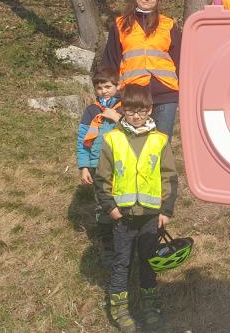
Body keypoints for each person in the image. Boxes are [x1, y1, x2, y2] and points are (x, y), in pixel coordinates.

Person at [94, 84, 179, 332]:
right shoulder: (113, 139)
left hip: (151, 218)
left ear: (150, 110)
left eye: (142, 111)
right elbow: (102, 178)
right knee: (122, 263)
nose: (137, 116)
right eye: (131, 111)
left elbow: (170, 178)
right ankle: (120, 310)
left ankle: (150, 307)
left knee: (148, 262)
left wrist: (166, 210)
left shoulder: (159, 140)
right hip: (123, 217)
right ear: (124, 110)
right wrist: (111, 209)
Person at [103, 0, 182, 136]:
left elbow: (181, 61)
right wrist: (107, 92)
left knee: (160, 144)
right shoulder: (120, 24)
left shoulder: (168, 25)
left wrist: (184, 92)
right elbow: (110, 61)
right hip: (133, 94)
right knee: (134, 143)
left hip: (166, 93)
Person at [76, 68, 122, 271]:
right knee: (102, 205)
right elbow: (82, 140)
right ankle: (107, 246)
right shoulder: (90, 111)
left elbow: (136, 131)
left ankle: (124, 241)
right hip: (97, 166)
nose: (104, 91)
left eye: (108, 87)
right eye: (99, 87)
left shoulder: (125, 107)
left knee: (121, 201)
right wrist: (84, 166)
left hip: (120, 165)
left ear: (117, 86)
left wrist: (116, 118)